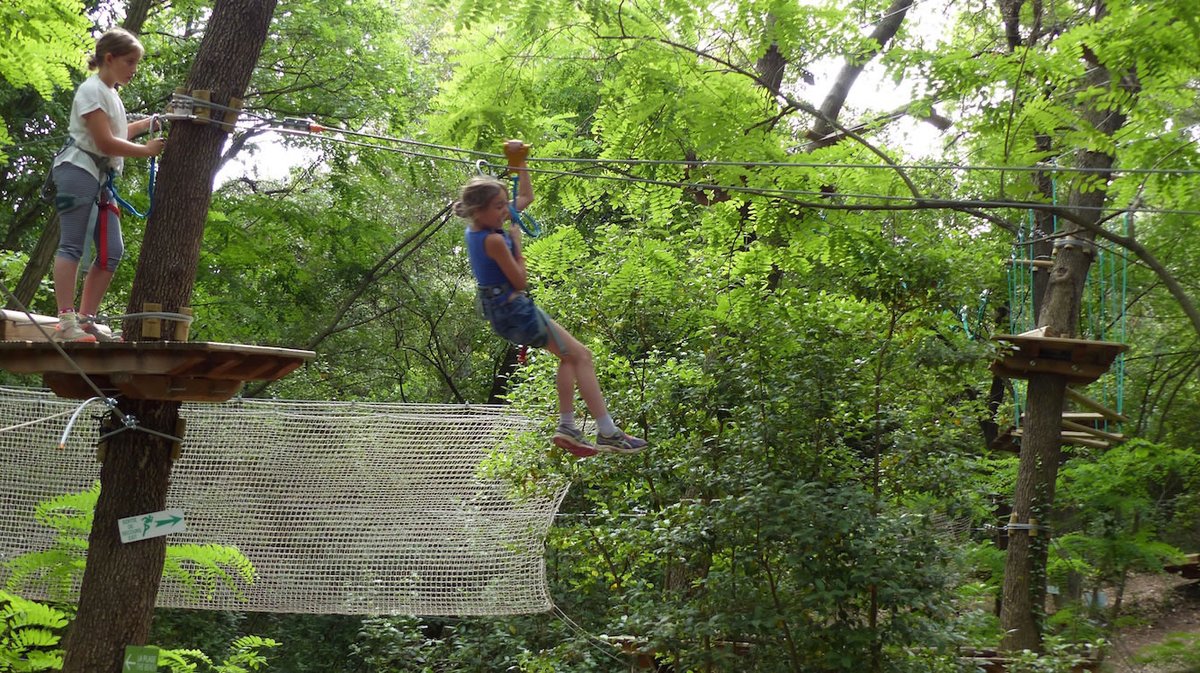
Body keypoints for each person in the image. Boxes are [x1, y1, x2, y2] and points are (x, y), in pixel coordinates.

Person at [459, 141, 647, 456]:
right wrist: (517, 244)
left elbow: (527, 197)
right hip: (513, 307)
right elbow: (520, 281)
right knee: (580, 356)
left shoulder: (485, 225)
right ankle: (601, 431)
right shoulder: (493, 239)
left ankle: (574, 427)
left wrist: (520, 162)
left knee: (573, 356)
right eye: (499, 206)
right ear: (479, 211)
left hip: (505, 310)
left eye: (506, 204)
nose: (506, 210)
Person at [49, 27, 165, 342]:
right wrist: (146, 151)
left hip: (100, 178)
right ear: (109, 58)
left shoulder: (111, 94)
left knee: (111, 251)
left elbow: (116, 132)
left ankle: (86, 320)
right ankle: (65, 322)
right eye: (129, 62)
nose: (134, 70)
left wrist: (147, 125)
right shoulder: (91, 90)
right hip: (78, 169)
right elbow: (104, 140)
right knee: (73, 244)